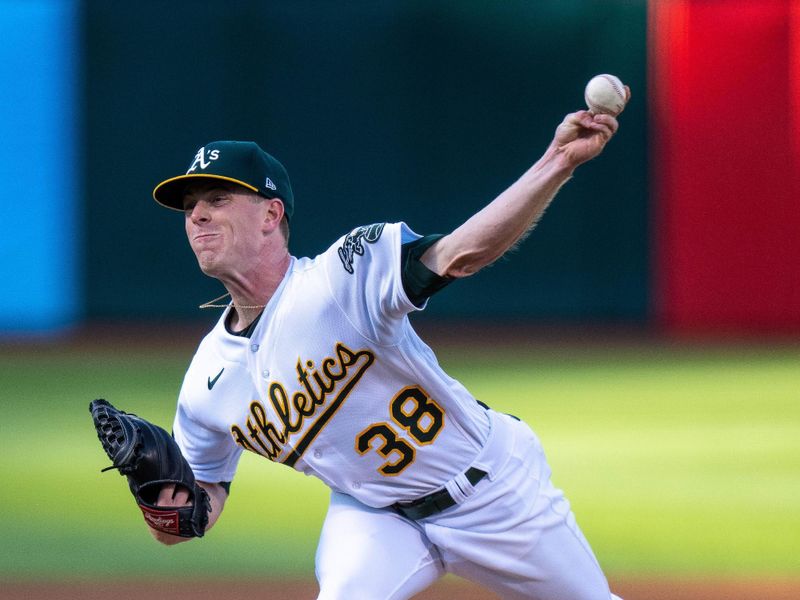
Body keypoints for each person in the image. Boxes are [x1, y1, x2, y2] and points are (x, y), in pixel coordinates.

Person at [147, 106, 626, 600]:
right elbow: (192, 510)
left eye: (218, 198)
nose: (198, 215)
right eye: (189, 207)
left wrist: (557, 161)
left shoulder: (342, 279)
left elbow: (463, 253)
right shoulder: (205, 383)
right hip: (374, 517)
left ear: (272, 214)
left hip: (492, 492)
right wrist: (161, 498)